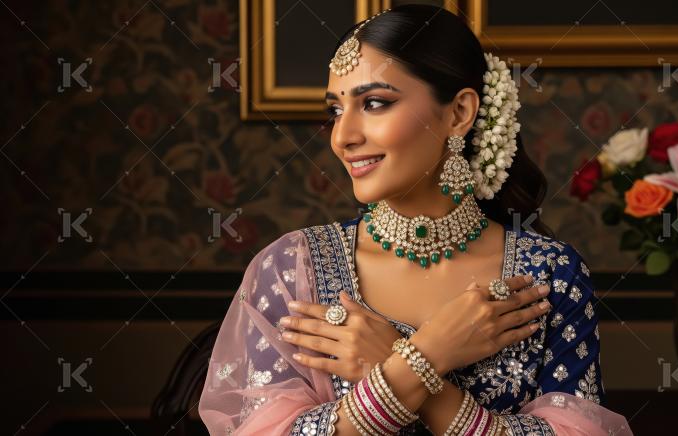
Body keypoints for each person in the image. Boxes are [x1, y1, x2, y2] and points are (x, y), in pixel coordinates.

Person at [199, 4, 634, 435]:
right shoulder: (290, 270)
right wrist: (427, 354)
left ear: (459, 113)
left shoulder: (549, 275)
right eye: (335, 110)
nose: (343, 137)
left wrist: (397, 362)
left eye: (374, 103)